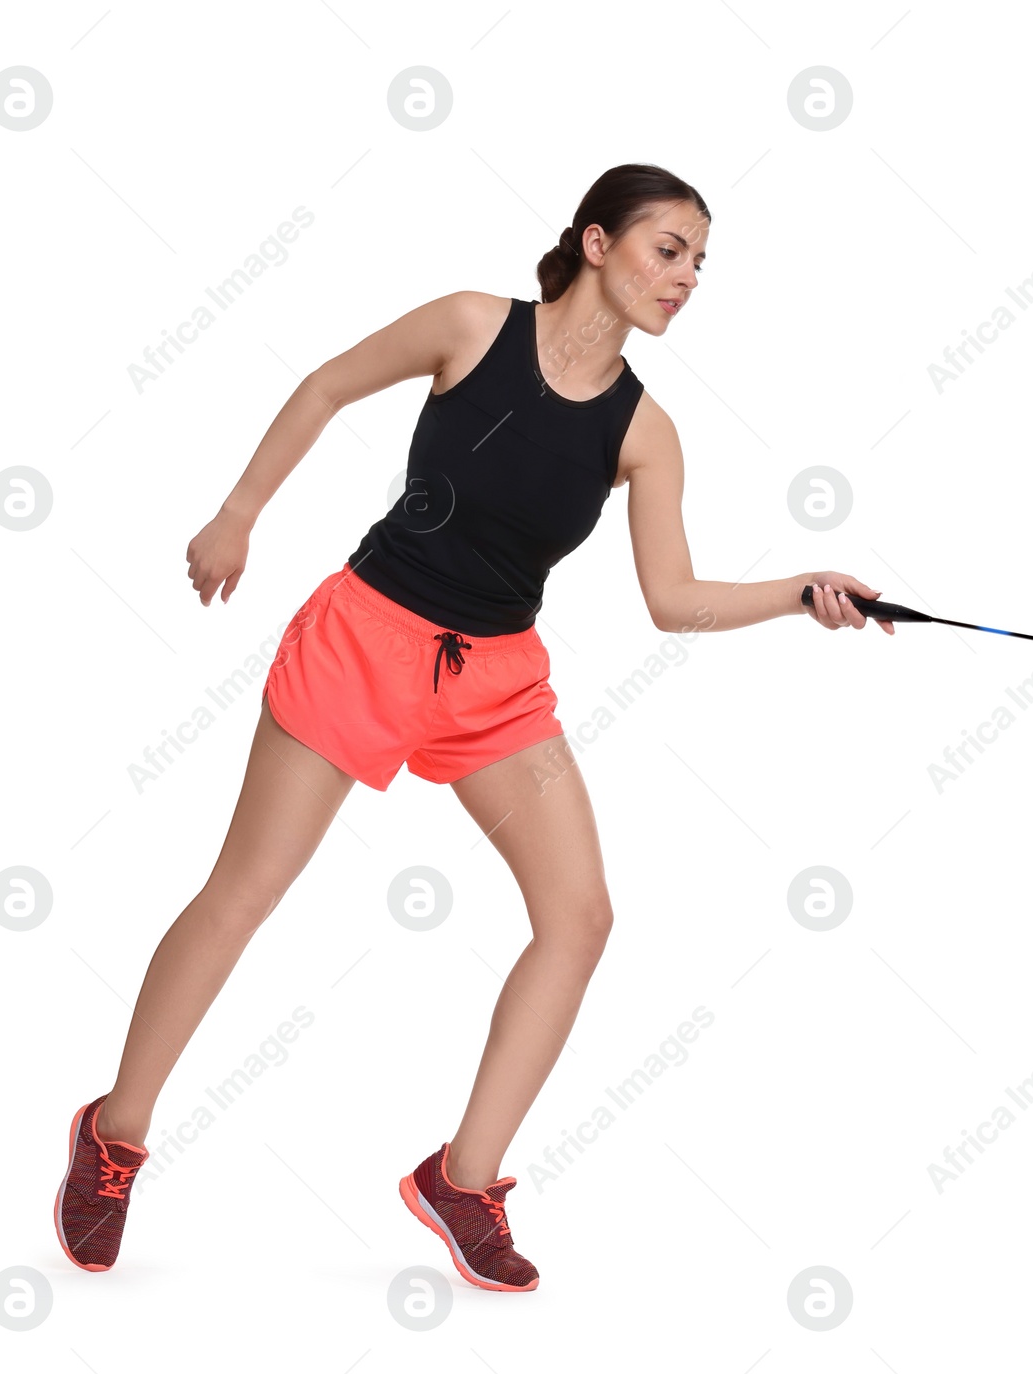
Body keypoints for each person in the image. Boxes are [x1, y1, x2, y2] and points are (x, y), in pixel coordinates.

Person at [53, 162, 894, 1292]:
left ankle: (463, 1178)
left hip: (493, 678)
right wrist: (237, 514)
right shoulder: (470, 324)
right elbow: (322, 386)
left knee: (580, 917)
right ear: (596, 243)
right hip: (367, 638)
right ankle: (114, 1134)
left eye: (699, 262)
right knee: (244, 892)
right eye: (668, 248)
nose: (686, 277)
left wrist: (798, 591)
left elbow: (672, 600)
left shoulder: (647, 434)